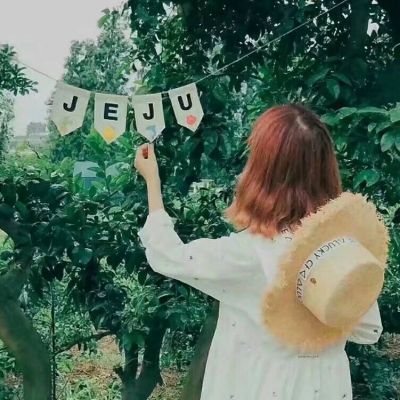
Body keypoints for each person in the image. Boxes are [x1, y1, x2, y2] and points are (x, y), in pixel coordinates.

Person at [134, 104, 383, 400]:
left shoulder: (250, 254)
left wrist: (152, 182)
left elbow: (167, 255)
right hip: (325, 387)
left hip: (261, 385)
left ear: (262, 172)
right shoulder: (343, 248)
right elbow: (367, 329)